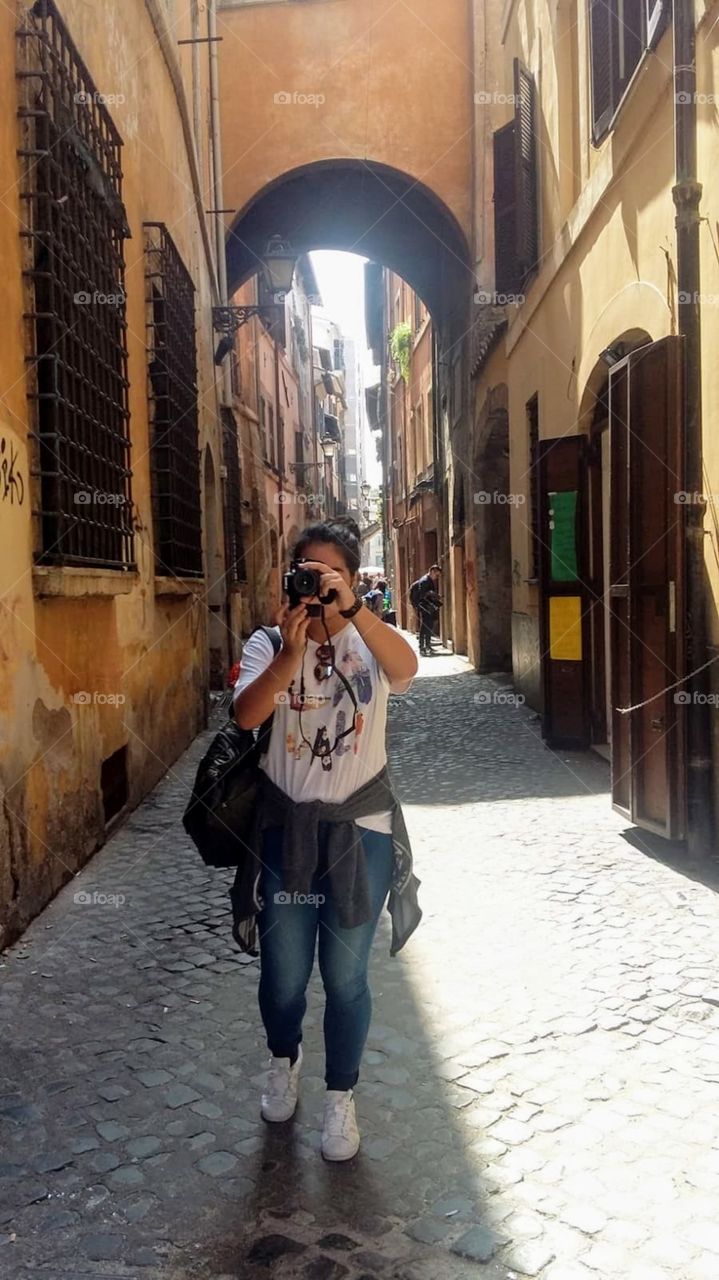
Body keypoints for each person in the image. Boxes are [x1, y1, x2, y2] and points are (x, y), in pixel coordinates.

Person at [232, 517, 421, 1161]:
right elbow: (246, 714)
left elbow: (408, 668)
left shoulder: (372, 642)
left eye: (326, 574)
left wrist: (356, 611)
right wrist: (291, 652)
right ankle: (283, 1059)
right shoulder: (267, 644)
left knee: (345, 978)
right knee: (284, 976)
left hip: (359, 835)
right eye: (303, 573)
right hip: (286, 833)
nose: (314, 587)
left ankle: (341, 1097)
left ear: (347, 576)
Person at [409, 564, 443, 656]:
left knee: (429, 625)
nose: (437, 577)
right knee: (425, 626)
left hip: (427, 606)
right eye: (436, 575)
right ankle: (422, 647)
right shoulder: (425, 581)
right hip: (425, 606)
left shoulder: (429, 580)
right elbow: (422, 594)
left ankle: (427, 645)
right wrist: (432, 594)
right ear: (432, 571)